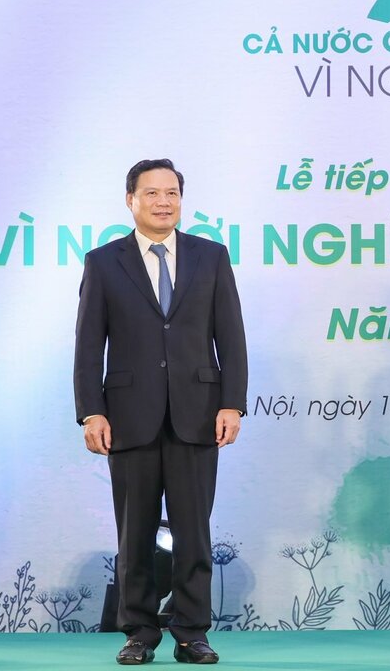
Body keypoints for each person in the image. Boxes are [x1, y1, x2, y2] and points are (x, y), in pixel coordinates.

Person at [74, 159, 247, 666]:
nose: (163, 201)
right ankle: (139, 634)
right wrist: (91, 412)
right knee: (135, 535)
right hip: (129, 417)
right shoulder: (103, 262)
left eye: (171, 192)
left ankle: (192, 633)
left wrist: (232, 403)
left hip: (198, 414)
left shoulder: (210, 256)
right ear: (131, 200)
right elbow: (88, 345)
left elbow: (231, 335)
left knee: (194, 533)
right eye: (152, 193)